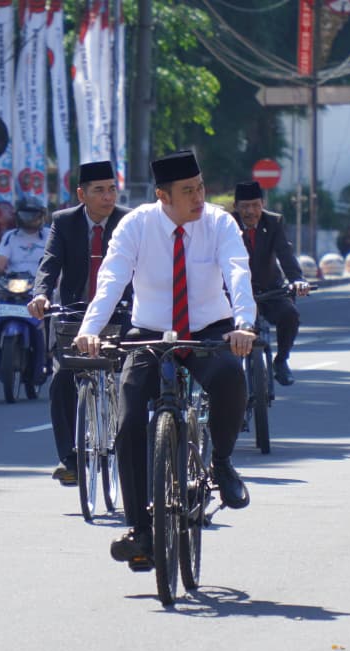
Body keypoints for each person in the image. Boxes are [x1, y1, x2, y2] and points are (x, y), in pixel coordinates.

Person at [72, 149, 256, 569]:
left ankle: (222, 463)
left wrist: (244, 324)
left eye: (201, 188)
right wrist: (90, 331)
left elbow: (237, 271)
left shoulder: (218, 222)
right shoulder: (136, 226)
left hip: (209, 328)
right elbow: (112, 279)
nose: (199, 198)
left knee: (229, 376)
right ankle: (141, 530)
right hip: (149, 332)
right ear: (162, 196)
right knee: (130, 418)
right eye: (188, 191)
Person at [28, 160, 132, 485]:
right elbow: (50, 263)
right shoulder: (64, 222)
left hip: (122, 313)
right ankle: (70, 459)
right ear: (81, 194)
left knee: (136, 380)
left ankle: (137, 451)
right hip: (75, 313)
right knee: (61, 382)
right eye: (99, 190)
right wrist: (41, 294)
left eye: (112, 189)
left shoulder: (130, 222)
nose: (107, 196)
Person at [231, 180, 310, 385]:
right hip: (236, 293)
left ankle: (281, 360)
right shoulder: (226, 224)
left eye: (256, 205)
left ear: (262, 204)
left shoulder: (273, 223)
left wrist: (297, 280)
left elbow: (285, 254)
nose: (251, 211)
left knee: (290, 315)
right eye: (245, 206)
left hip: (269, 289)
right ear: (235, 207)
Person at [0, 198, 49, 373]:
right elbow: (1, 260)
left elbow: (56, 261)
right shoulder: (10, 237)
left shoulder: (50, 235)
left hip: (41, 286)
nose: (30, 219)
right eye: (26, 215)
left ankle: (50, 352)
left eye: (34, 215)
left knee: (55, 310)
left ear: (42, 216)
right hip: (13, 285)